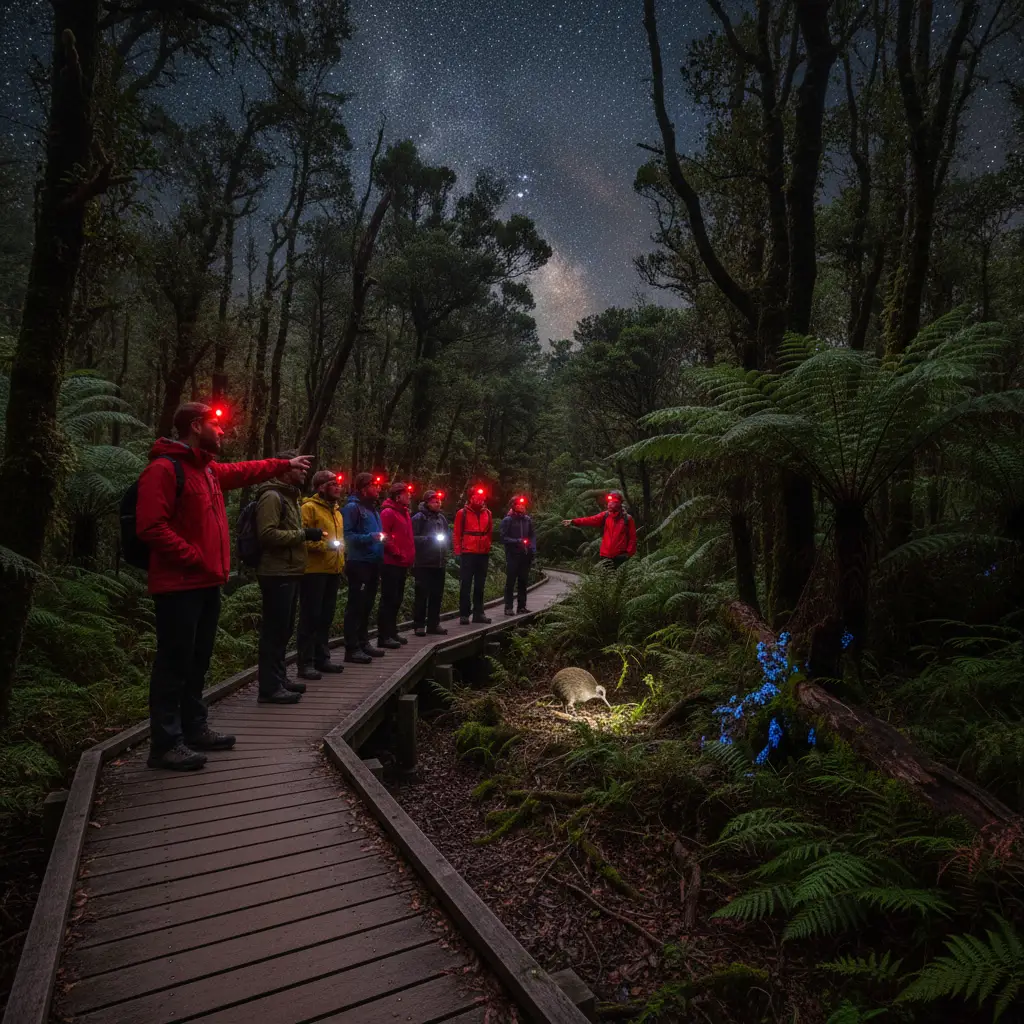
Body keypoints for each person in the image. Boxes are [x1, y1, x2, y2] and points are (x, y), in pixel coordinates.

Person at [136, 402, 311, 770]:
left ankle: (193, 728)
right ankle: (165, 744)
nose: (222, 432)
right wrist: (193, 556)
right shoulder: (163, 469)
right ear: (196, 425)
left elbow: (245, 471)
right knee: (174, 663)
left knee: (198, 661)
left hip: (206, 582)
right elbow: (151, 527)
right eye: (216, 425)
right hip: (178, 584)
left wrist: (282, 463)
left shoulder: (209, 471)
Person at [255, 451, 317, 705]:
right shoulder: (272, 496)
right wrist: (303, 535)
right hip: (275, 571)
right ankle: (269, 688)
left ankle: (279, 679)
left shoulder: (291, 497)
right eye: (299, 468)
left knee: (284, 630)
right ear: (284, 469)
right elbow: (267, 534)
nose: (304, 472)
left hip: (290, 570)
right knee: (274, 631)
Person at [297, 470, 346, 680]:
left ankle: (322, 658)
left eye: (338, 484)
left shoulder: (337, 512)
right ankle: (305, 663)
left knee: (326, 617)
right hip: (313, 571)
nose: (338, 487)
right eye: (333, 484)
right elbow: (301, 538)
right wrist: (325, 546)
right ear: (321, 487)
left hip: (333, 570)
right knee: (311, 617)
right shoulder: (308, 508)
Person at [342, 472, 387, 663]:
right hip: (358, 562)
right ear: (363, 488)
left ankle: (363, 642)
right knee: (356, 605)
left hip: (373, 562)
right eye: (374, 485)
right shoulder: (352, 508)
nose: (378, 488)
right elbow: (347, 536)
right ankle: (352, 648)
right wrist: (371, 538)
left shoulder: (373, 510)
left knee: (367, 605)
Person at [377, 482, 415, 648]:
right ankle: (383, 636)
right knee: (388, 598)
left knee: (397, 599)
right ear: (398, 496)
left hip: (402, 563)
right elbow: (384, 536)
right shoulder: (388, 512)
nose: (409, 496)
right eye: (406, 494)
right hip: (391, 562)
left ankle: (392, 632)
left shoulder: (404, 513)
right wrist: (397, 552)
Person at [411, 489, 450, 637]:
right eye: (434, 501)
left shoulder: (441, 519)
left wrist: (445, 547)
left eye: (438, 501)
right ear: (427, 502)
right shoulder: (419, 518)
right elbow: (412, 538)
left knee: (436, 595)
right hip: (423, 563)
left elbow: (447, 536)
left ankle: (434, 624)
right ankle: (419, 625)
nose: (437, 503)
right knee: (421, 595)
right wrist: (429, 539)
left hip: (439, 563)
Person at [562, 490, 637, 569]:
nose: (611, 504)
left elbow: (632, 538)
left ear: (619, 503)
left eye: (614, 502)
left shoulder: (627, 519)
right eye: (610, 502)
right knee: (606, 574)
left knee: (617, 575)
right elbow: (590, 520)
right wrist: (573, 521)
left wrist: (628, 553)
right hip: (605, 555)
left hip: (620, 556)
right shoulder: (606, 515)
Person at [453, 484, 493, 625]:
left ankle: (478, 613)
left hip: (483, 554)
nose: (479, 499)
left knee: (480, 585)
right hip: (468, 553)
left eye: (482, 497)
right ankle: (464, 614)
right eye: (476, 496)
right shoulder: (462, 513)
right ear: (471, 498)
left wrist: (487, 546)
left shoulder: (488, 513)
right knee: (466, 584)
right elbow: (457, 533)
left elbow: (489, 533)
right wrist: (458, 551)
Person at [500, 494, 536, 615]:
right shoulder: (508, 520)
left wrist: (532, 548)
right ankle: (508, 607)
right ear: (513, 506)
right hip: (512, 555)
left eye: (523, 505)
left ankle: (521, 607)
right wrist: (517, 541)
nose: (522, 506)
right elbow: (503, 538)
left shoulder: (527, 520)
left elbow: (532, 535)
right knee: (510, 581)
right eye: (519, 504)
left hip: (525, 555)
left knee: (523, 581)